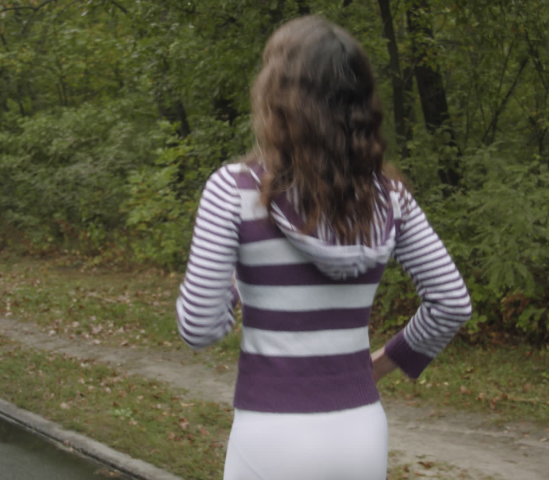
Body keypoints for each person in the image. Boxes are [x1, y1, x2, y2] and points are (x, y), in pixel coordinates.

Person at [175, 15, 472, 480]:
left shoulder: (231, 191)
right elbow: (452, 304)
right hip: (360, 433)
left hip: (270, 435)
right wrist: (382, 364)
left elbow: (198, 327)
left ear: (276, 98)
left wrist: (237, 284)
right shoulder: (390, 199)